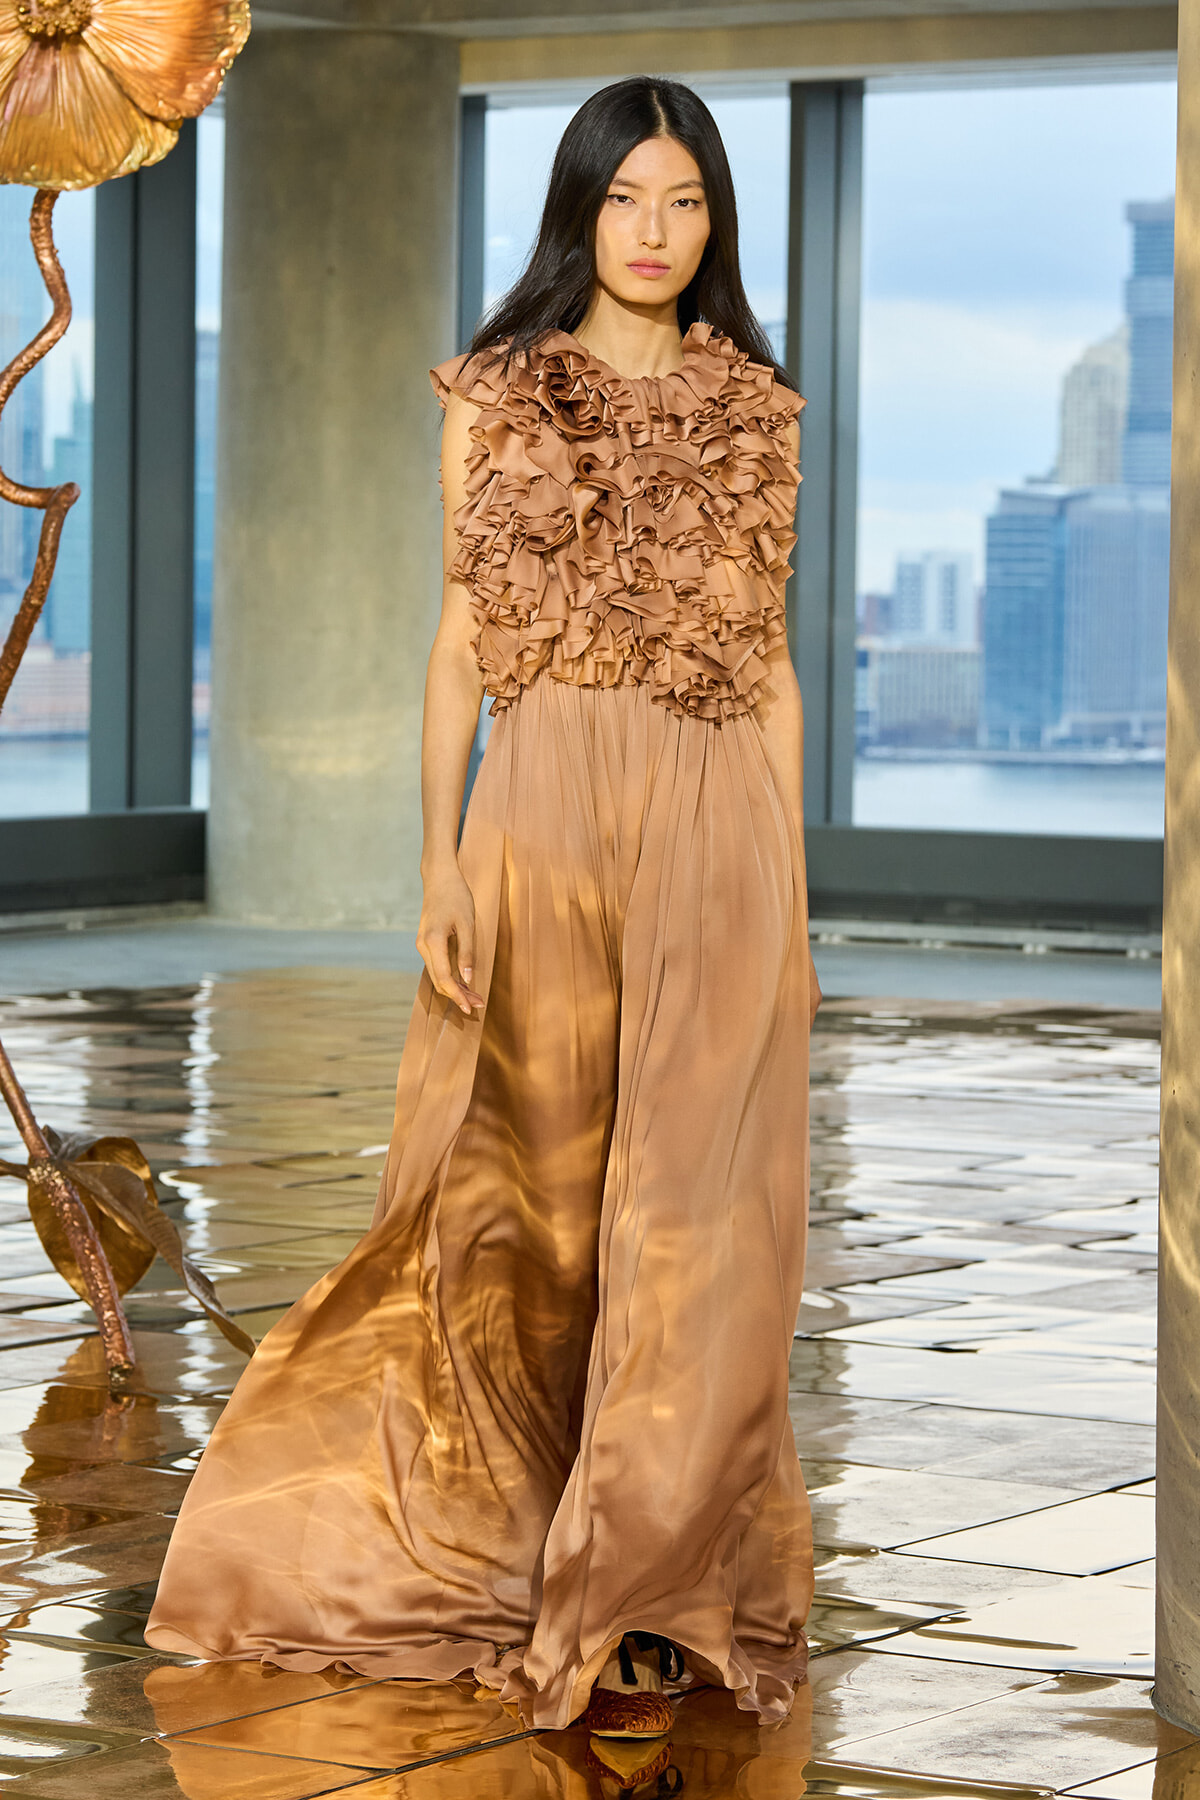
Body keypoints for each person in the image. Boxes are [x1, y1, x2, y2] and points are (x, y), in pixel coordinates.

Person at [146, 74, 820, 1745]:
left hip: (719, 811)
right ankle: (516, 1533)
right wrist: (439, 862)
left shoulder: (761, 407)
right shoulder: (499, 393)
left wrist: (791, 872)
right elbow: (458, 648)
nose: (656, 235)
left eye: (686, 204)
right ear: (578, 210)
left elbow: (774, 664)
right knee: (523, 1206)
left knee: (703, 1219)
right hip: (542, 815)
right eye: (626, 202)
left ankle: (650, 1585)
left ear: (714, 219)